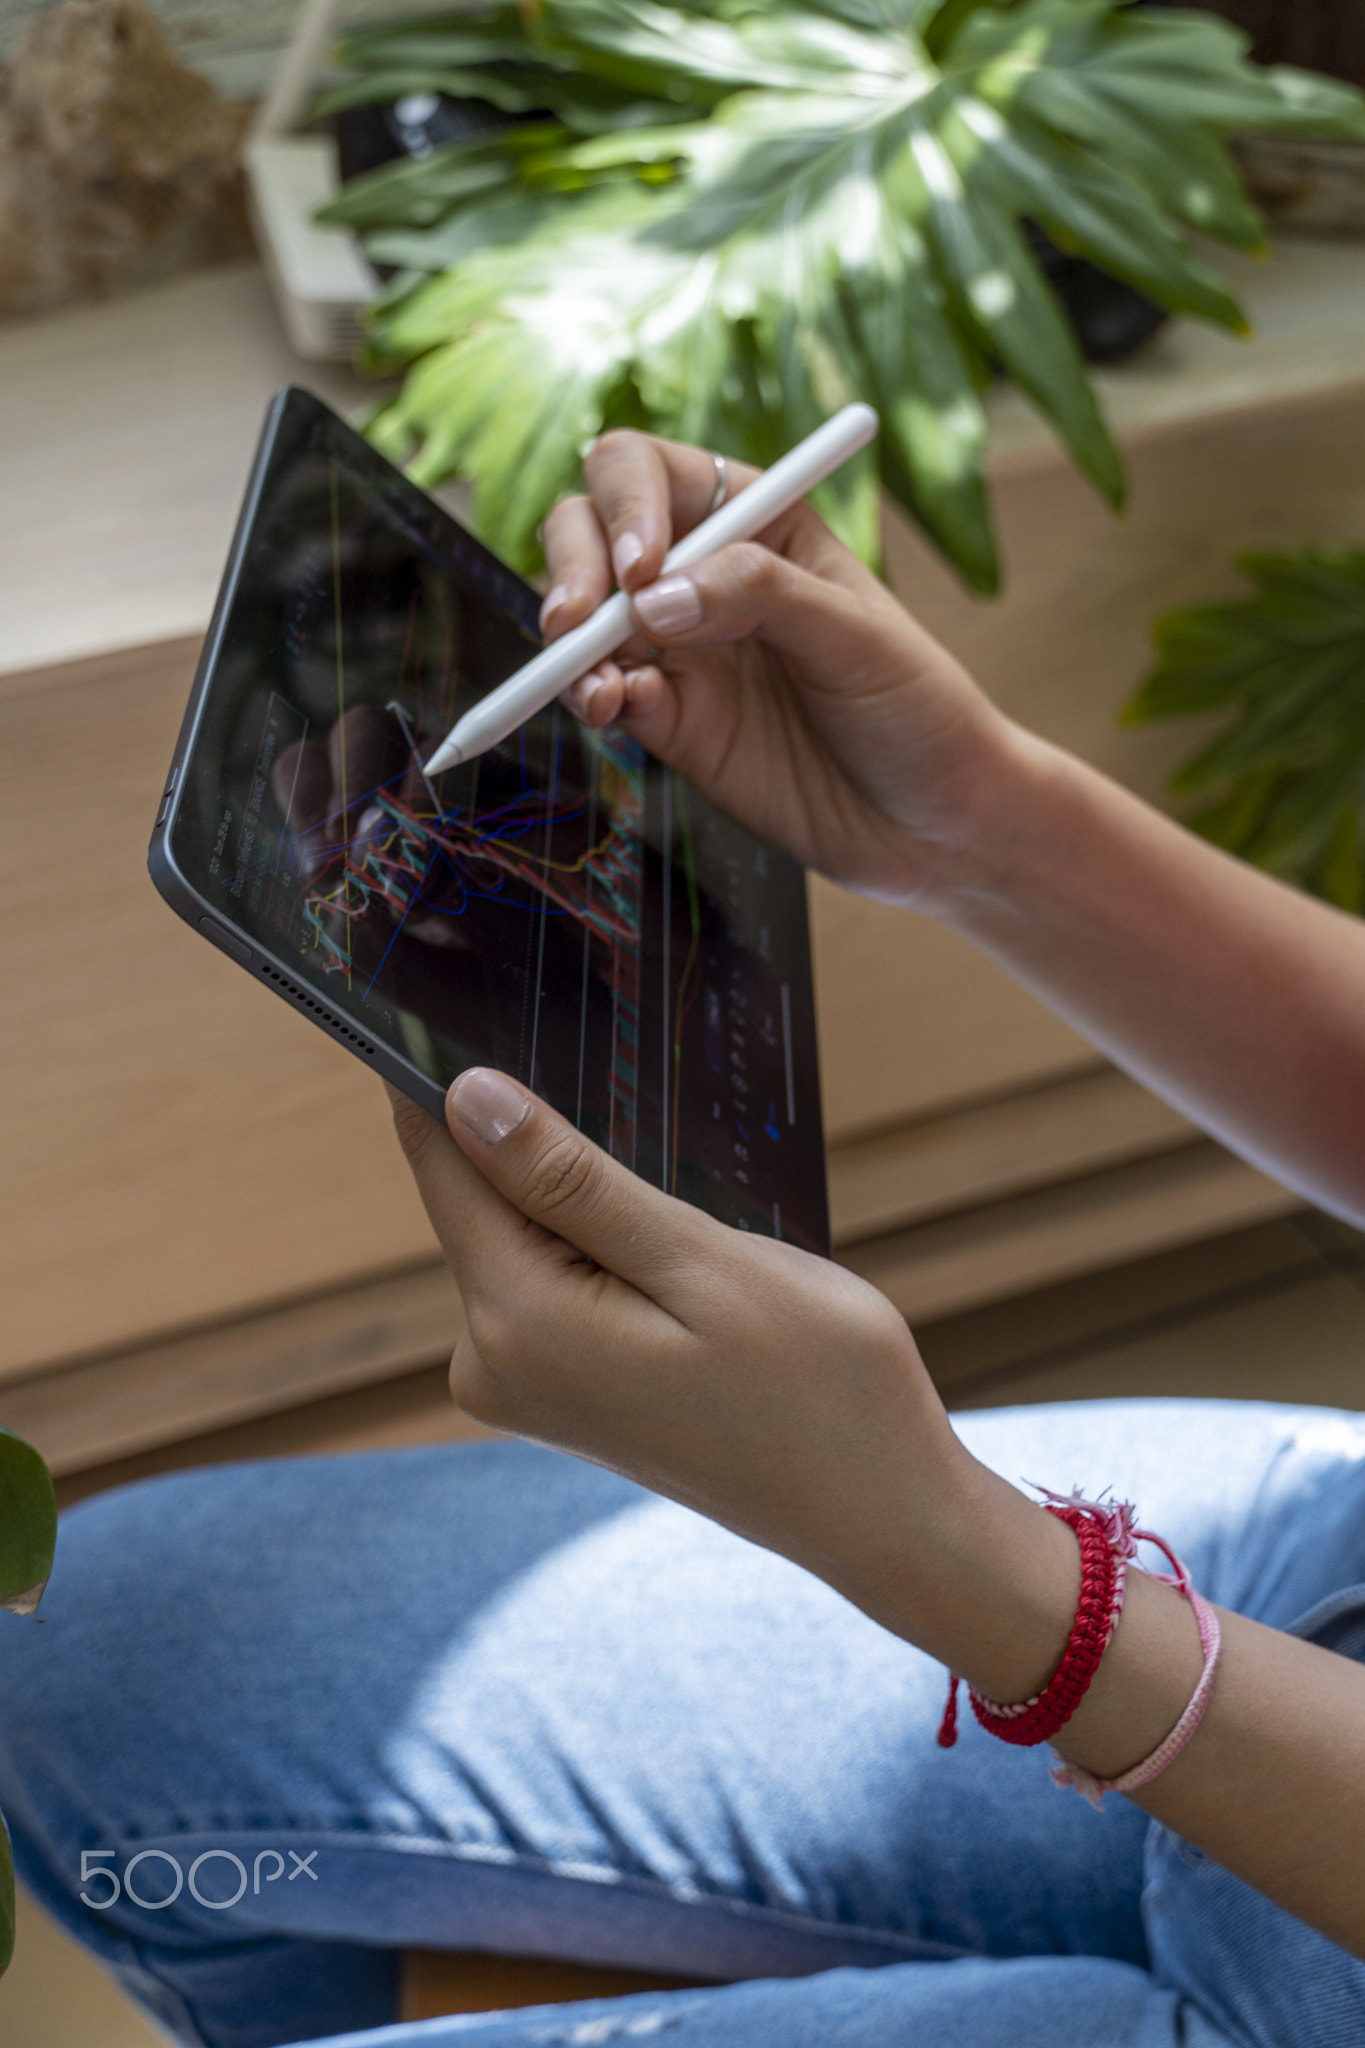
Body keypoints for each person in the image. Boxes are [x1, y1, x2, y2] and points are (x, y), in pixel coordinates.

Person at [2, 431, 1365, 2048]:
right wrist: (978, 825)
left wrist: (948, 1554)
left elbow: (972, 1570)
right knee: (84, 1656)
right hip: (1310, 1590)